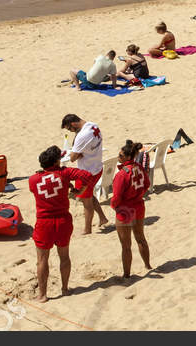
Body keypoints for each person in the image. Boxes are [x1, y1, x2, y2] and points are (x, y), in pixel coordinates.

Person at [28, 145, 95, 300]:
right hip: (63, 221)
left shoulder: (33, 179)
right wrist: (80, 190)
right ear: (56, 162)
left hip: (44, 223)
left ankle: (43, 295)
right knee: (64, 257)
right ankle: (65, 289)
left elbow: (39, 186)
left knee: (42, 260)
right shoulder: (64, 173)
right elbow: (87, 175)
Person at [110, 139, 153, 278]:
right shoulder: (139, 168)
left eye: (121, 156)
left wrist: (114, 206)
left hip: (125, 209)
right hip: (139, 206)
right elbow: (147, 184)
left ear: (128, 157)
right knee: (141, 238)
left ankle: (127, 274)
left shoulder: (122, 174)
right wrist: (138, 195)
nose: (118, 157)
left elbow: (116, 197)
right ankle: (147, 265)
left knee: (126, 245)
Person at [61, 114, 109, 234]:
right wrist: (79, 153)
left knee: (86, 202)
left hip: (87, 172)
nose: (70, 131)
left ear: (73, 124)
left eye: (69, 129)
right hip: (97, 167)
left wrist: (78, 153)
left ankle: (87, 229)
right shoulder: (93, 125)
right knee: (89, 196)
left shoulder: (81, 136)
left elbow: (72, 158)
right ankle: (103, 218)